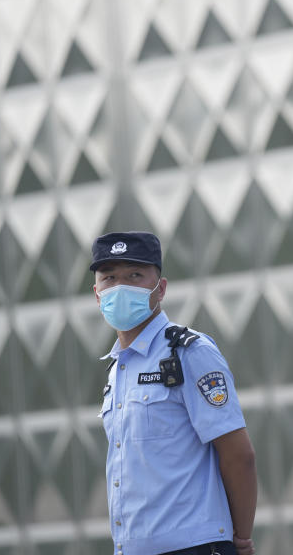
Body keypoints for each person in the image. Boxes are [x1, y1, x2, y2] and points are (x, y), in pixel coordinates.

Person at [91, 231, 257, 555]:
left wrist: (241, 540)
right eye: (109, 278)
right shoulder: (117, 369)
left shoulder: (188, 353)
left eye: (134, 275)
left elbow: (239, 456)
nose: (120, 287)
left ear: (160, 288)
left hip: (194, 547)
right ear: (97, 294)